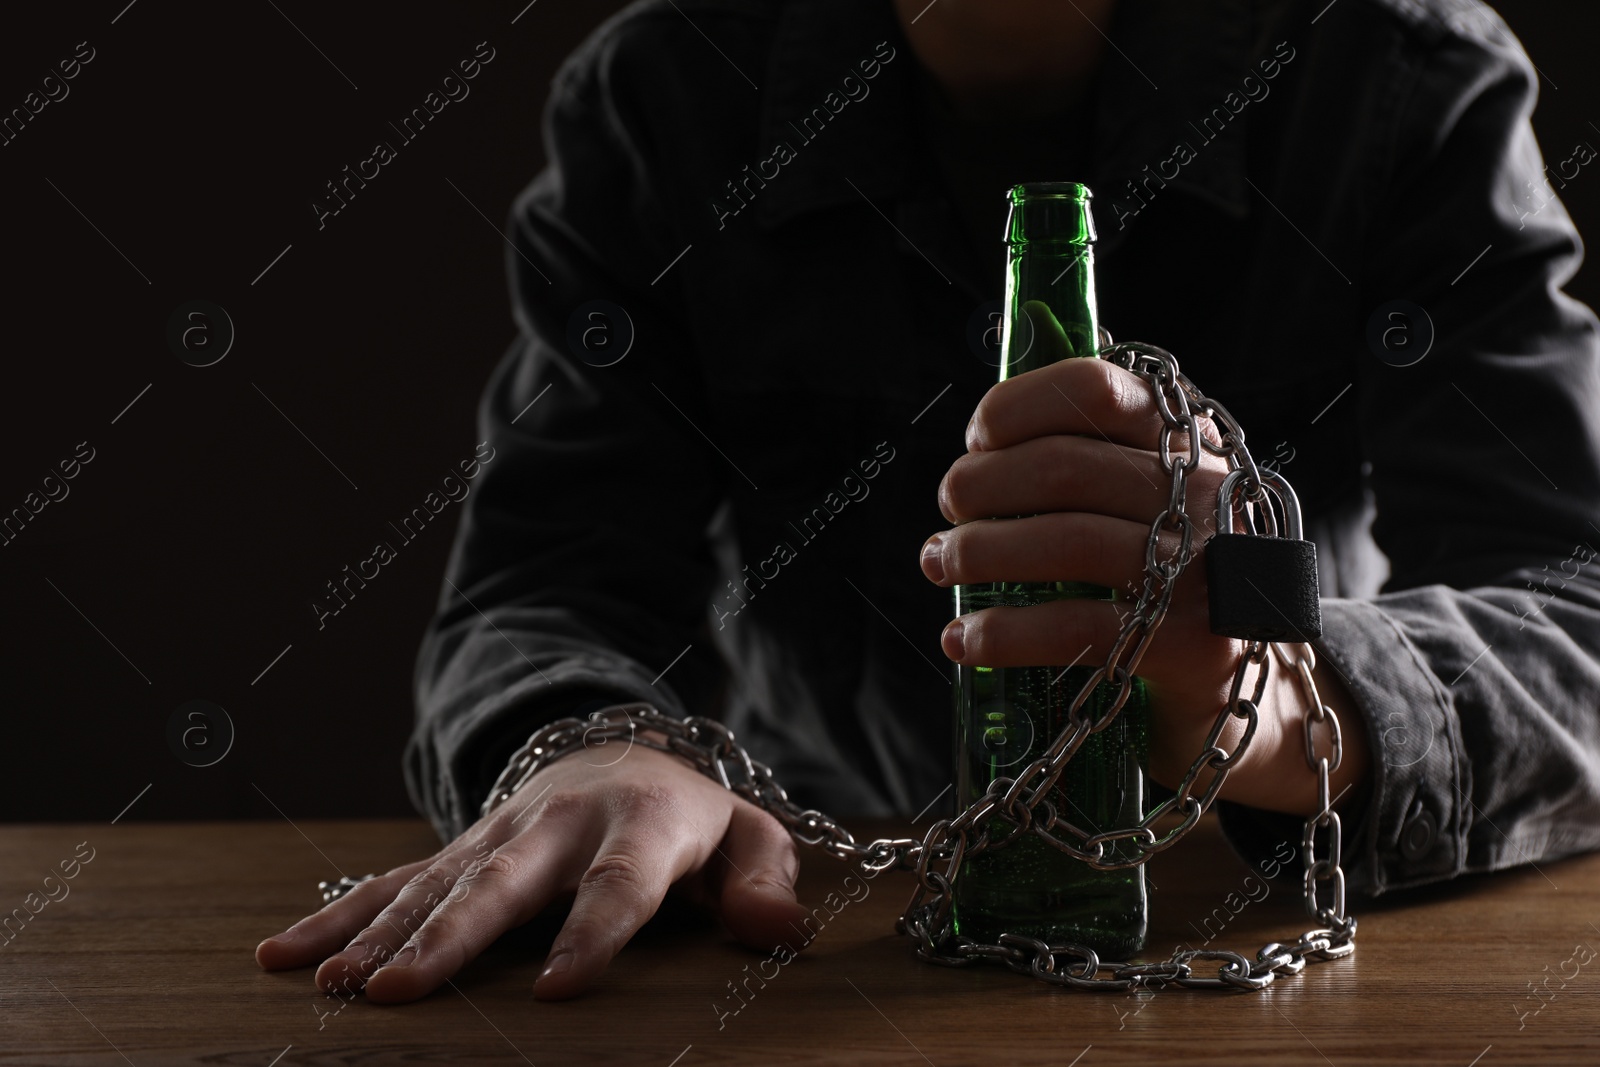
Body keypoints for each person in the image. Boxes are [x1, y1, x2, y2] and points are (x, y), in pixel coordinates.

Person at [255, 0, 1600, 1003]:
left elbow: (1577, 599)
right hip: (803, 916)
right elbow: (540, 586)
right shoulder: (664, 98)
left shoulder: (1397, 72)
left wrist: (1282, 671)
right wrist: (595, 743)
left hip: (1252, 882)